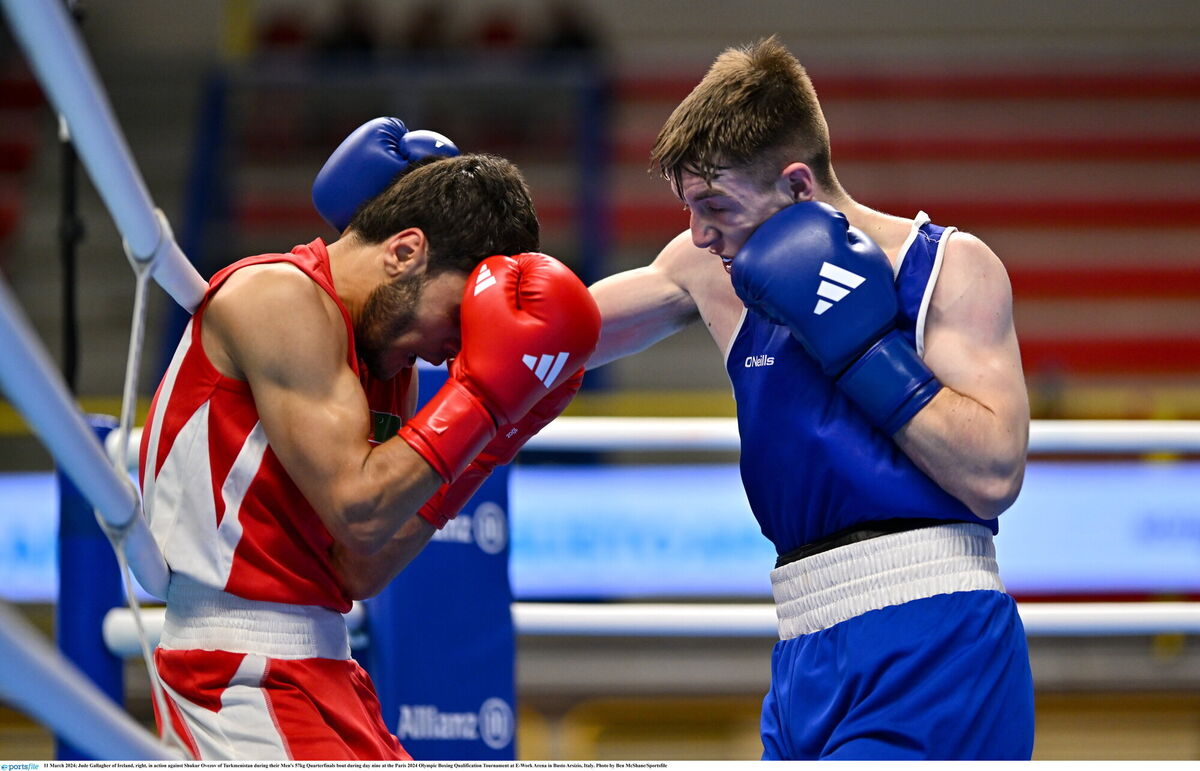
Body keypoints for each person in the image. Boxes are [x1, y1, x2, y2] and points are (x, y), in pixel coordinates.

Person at [587, 37, 1034, 760]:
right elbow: (563, 331)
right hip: (803, 647)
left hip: (937, 641)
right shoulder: (708, 268)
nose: (699, 232)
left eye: (714, 204)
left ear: (798, 185)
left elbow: (993, 473)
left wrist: (863, 349)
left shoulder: (947, 267)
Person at [137, 117, 601, 761]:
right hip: (236, 671)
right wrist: (487, 400)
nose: (453, 352)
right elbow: (360, 509)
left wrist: (495, 439)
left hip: (324, 664)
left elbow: (362, 565)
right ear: (405, 251)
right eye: (458, 318)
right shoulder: (279, 297)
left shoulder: (390, 361)